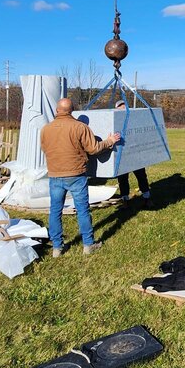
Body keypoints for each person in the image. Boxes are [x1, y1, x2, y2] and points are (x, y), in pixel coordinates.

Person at [40, 97, 120, 257]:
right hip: (76, 175)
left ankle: (57, 248)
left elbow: (45, 149)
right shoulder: (80, 127)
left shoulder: (46, 129)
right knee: (82, 210)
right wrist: (109, 141)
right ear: (72, 110)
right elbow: (94, 149)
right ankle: (88, 245)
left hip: (55, 175)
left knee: (55, 211)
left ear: (57, 110)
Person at [114, 100, 153, 207]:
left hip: (136, 154)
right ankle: (125, 200)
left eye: (124, 107)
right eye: (120, 108)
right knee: (122, 179)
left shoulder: (135, 120)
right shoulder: (114, 121)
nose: (122, 109)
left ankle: (147, 198)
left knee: (141, 176)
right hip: (122, 155)